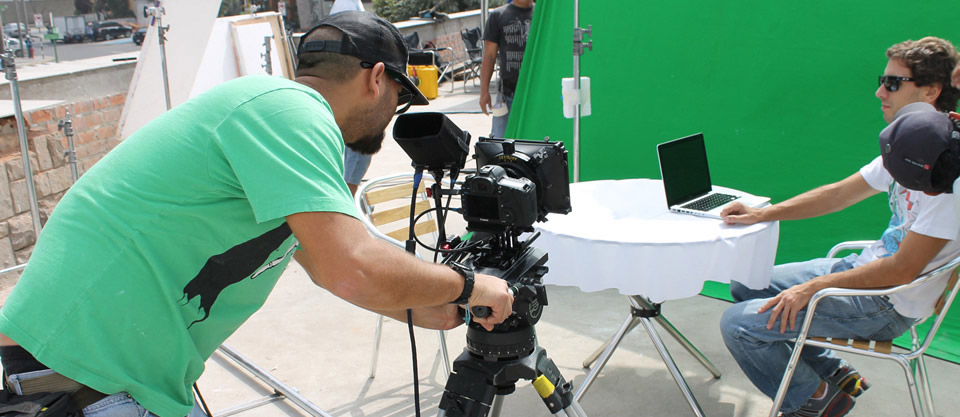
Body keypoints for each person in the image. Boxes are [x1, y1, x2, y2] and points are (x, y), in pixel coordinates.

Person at [0, 11, 514, 417]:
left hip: (91, 371)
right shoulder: (291, 112)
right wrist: (473, 286)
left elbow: (323, 263)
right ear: (377, 78)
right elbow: (351, 267)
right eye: (398, 99)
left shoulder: (270, 113)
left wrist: (426, 305)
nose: (390, 116)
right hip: (78, 377)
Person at [719, 36, 960, 417]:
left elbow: (903, 270)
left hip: (888, 302)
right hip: (868, 270)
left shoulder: (944, 174)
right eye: (882, 80)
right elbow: (839, 194)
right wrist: (764, 213)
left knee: (739, 325)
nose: (880, 92)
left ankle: (816, 402)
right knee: (748, 282)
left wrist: (812, 287)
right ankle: (833, 371)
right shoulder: (913, 143)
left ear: (931, 91)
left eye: (893, 83)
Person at [478, 0, 534, 138]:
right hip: (508, 94)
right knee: (501, 143)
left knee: (535, 143)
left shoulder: (541, 15)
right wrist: (484, 92)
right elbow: (489, 56)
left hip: (535, 94)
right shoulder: (498, 15)